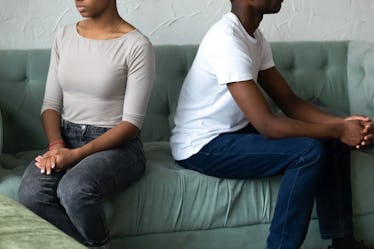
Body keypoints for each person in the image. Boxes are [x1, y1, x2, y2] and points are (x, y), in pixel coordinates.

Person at [170, 0, 373, 249]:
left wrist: (344, 124)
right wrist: (340, 129)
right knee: (308, 153)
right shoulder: (226, 40)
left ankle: (343, 243)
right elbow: (268, 125)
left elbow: (290, 102)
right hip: (202, 145)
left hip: (233, 132)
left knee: (330, 137)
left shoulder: (254, 36)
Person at [18, 0, 154, 248]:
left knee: (74, 189)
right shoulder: (64, 36)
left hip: (118, 146)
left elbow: (131, 123)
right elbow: (50, 104)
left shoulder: (136, 45)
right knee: (31, 194)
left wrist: (76, 155)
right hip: (65, 139)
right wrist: (57, 145)